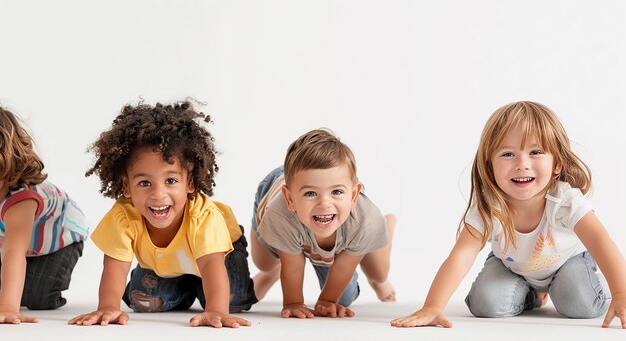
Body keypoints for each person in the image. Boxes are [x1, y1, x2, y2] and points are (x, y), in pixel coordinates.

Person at [391, 101, 626, 329]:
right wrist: (433, 306)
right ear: (489, 164)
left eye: (536, 152)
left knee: (579, 304)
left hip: (567, 264)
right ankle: (532, 295)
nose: (522, 164)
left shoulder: (565, 200)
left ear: (557, 164)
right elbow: (462, 254)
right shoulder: (490, 206)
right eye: (507, 154)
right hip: (514, 268)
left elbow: (599, 240)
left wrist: (621, 292)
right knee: (485, 304)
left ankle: (595, 290)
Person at [69, 101, 256, 328]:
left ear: (191, 182)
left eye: (171, 181)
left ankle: (249, 284)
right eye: (145, 182)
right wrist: (108, 306)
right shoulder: (124, 216)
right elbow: (115, 267)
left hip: (220, 256)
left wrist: (215, 310)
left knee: (230, 302)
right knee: (141, 300)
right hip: (168, 264)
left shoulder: (204, 216)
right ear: (127, 187)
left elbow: (210, 265)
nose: (158, 194)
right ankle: (187, 287)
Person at [250, 128, 396, 319]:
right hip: (274, 194)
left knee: (376, 275)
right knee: (264, 263)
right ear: (290, 198)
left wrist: (327, 301)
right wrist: (294, 303)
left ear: (353, 195)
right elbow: (293, 267)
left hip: (355, 229)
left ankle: (386, 226)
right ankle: (275, 269)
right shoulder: (281, 215)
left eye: (336, 192)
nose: (324, 203)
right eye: (311, 194)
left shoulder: (364, 221)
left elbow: (344, 267)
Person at [0, 106, 88, 324]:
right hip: (11, 239)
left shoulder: (22, 198)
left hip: (57, 241)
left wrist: (7, 307)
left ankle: (36, 288)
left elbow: (13, 251)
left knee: (36, 297)